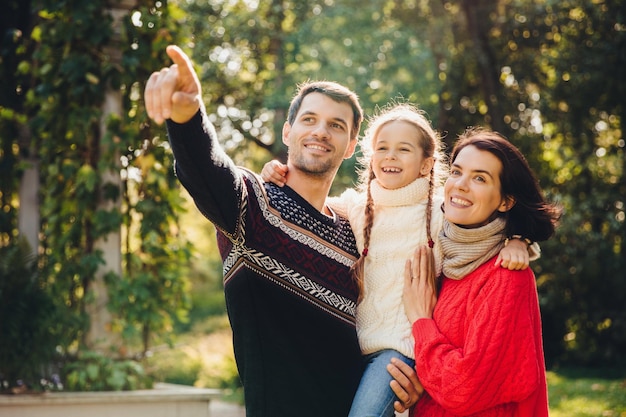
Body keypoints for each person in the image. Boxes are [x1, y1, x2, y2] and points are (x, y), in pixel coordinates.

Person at [143, 45, 422, 417]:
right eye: (309, 120)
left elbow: (390, 320)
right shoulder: (254, 207)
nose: (321, 132)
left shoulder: (358, 233)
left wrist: (410, 380)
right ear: (288, 131)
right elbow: (208, 173)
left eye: (336, 125)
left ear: (352, 146)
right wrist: (188, 118)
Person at [262, 105, 534, 417]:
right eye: (382, 148)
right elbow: (311, 202)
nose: (390, 156)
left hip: (400, 350)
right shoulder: (356, 207)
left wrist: (519, 241)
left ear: (425, 165)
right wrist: (275, 172)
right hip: (353, 344)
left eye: (403, 149)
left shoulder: (439, 212)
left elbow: (482, 234)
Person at [401, 128, 561, 417]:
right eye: (456, 172)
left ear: (505, 201)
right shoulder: (441, 256)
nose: (461, 185)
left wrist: (421, 320)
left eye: (479, 178)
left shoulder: (506, 275)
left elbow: (463, 388)